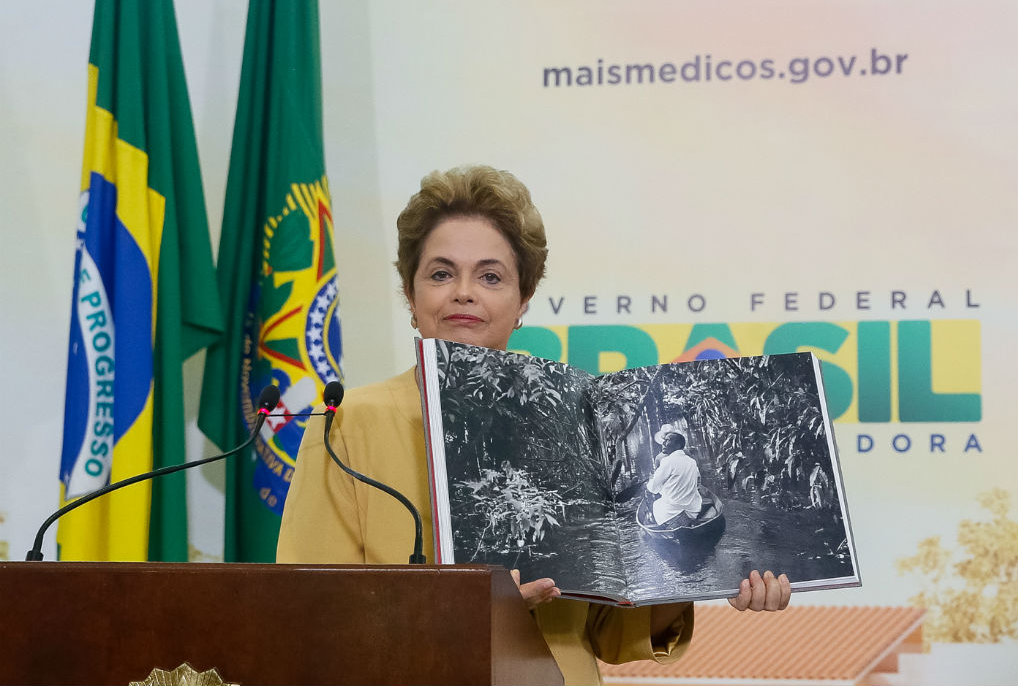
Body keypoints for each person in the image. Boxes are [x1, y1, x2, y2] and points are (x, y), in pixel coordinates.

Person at [277, 165, 791, 686]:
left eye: (491, 276)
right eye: (440, 273)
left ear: (522, 301)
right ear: (410, 297)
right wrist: (470, 615)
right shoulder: (347, 426)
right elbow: (309, 618)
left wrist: (700, 574)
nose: (463, 292)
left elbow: (612, 633)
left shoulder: (574, 422)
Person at [647, 427, 703, 529]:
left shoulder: (667, 461)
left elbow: (653, 488)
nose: (663, 443)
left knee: (656, 504)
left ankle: (674, 523)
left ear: (678, 445)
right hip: (693, 510)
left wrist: (651, 480)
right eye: (664, 440)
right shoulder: (691, 461)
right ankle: (688, 521)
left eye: (668, 440)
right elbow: (698, 480)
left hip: (673, 511)